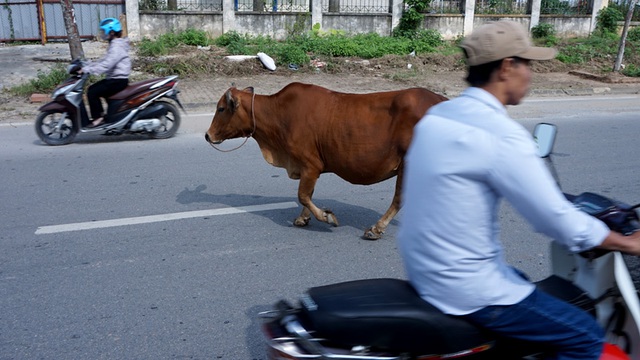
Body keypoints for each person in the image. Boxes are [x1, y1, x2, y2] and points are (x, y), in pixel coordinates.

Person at [397, 20, 640, 360]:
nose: (530, 74)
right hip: (469, 288)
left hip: (429, 273)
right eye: (528, 64)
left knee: (522, 280)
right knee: (585, 335)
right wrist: (627, 242)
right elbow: (553, 220)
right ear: (507, 67)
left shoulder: (440, 117)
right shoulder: (500, 134)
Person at [80, 17, 131, 128]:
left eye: (104, 31)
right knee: (98, 91)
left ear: (111, 32)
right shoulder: (115, 44)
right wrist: (87, 65)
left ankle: (99, 118)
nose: (102, 34)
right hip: (115, 79)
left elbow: (107, 65)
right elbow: (104, 61)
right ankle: (109, 117)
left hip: (118, 80)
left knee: (92, 91)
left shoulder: (116, 46)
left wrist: (88, 70)